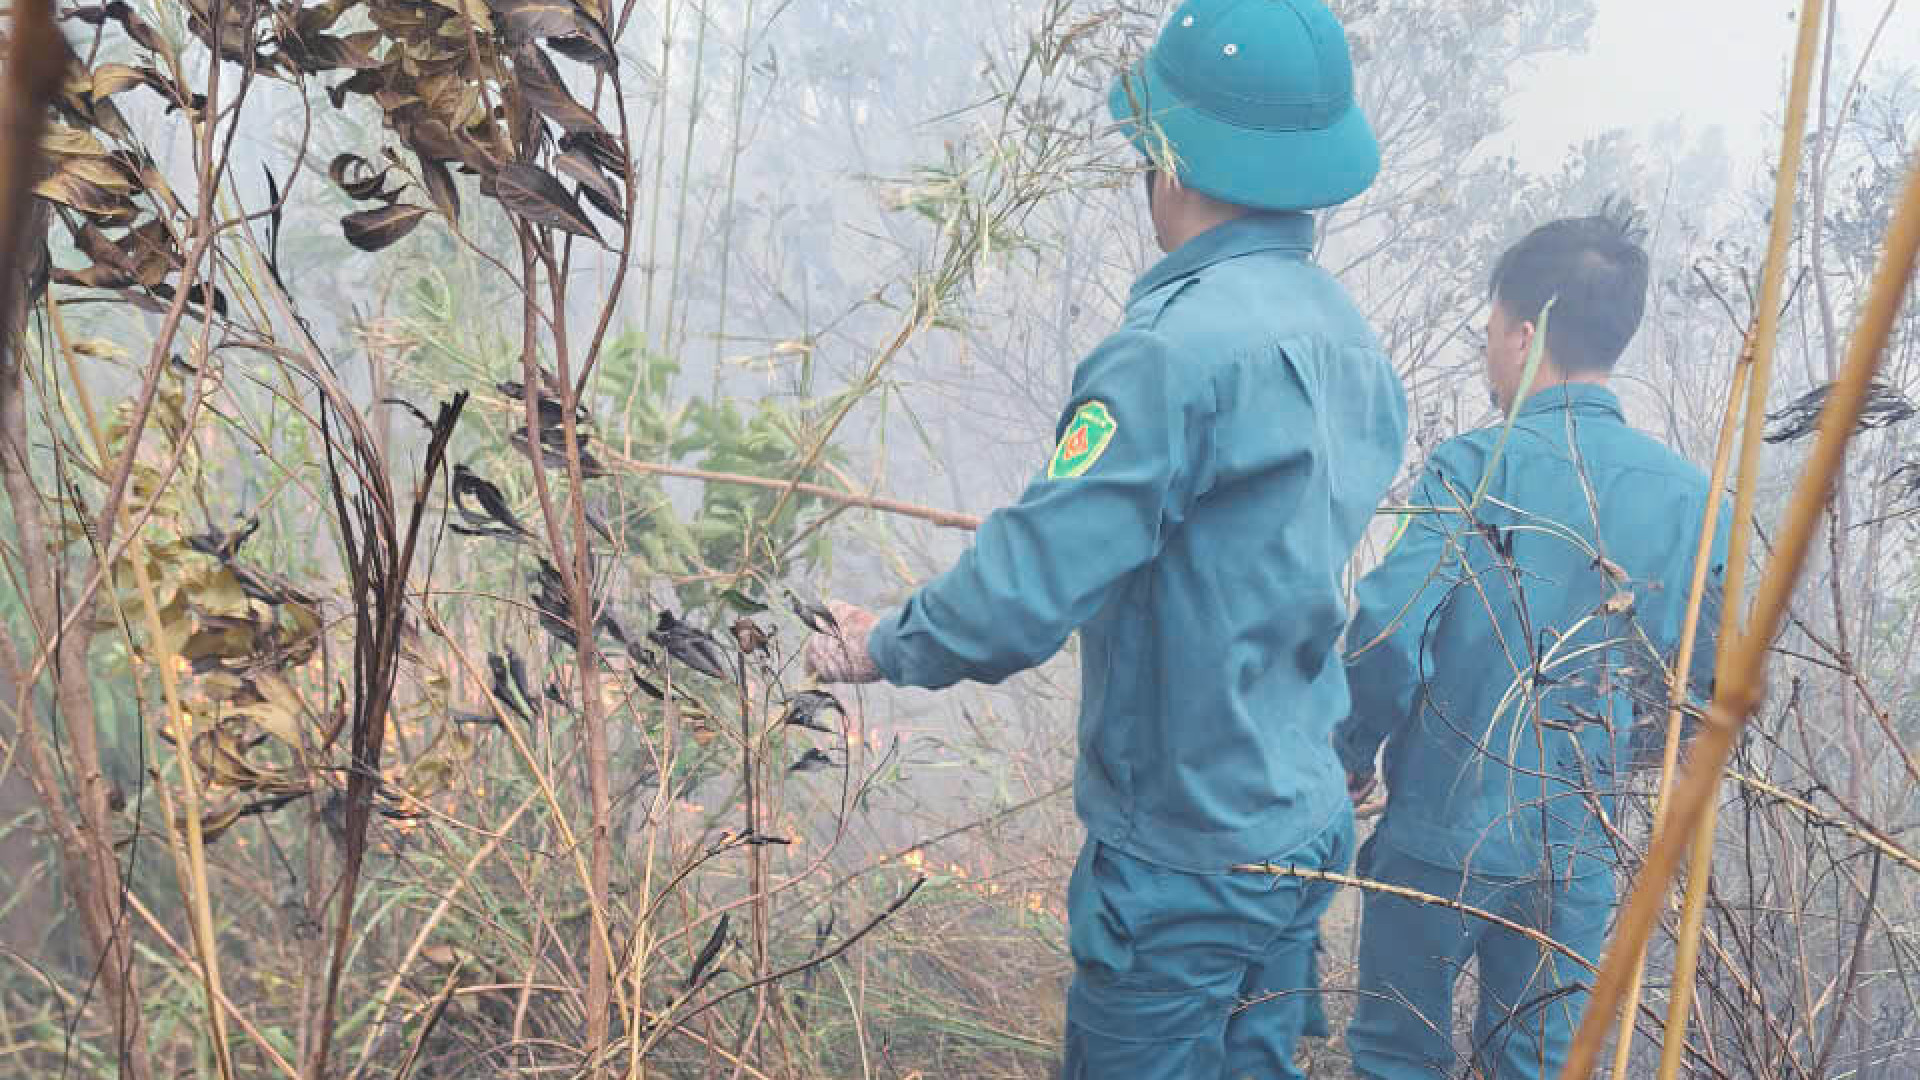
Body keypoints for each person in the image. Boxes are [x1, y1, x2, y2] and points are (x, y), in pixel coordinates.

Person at [803, 2, 1402, 1075]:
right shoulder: (1349, 341)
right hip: (1297, 823)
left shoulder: (1168, 355)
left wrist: (882, 642)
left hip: (1188, 855)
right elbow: (1237, 551)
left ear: (1172, 161)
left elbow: (1020, 599)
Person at [1332, 205, 1726, 1080]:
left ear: (1519, 334)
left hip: (1441, 831)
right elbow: (1704, 688)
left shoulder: (1475, 467)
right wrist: (1612, 761)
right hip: (1577, 845)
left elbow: (1391, 629)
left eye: (1487, 333)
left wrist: (1353, 746)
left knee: (1399, 1055)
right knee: (1545, 1064)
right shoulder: (1695, 505)